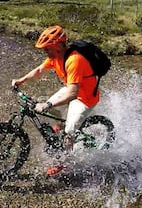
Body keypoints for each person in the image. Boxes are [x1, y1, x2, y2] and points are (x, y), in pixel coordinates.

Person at [11, 25, 100, 175]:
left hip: (85, 98)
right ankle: (59, 126)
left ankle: (63, 162)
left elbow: (72, 93)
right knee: (52, 111)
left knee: (69, 131)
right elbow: (39, 70)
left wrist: (48, 103)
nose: (45, 52)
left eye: (47, 48)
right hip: (73, 89)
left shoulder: (74, 60)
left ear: (58, 46)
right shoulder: (55, 57)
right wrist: (21, 80)